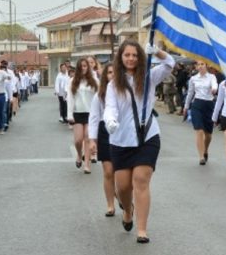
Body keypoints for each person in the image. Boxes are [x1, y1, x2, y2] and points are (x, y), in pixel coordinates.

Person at [104, 39, 174, 243]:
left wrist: (158, 52)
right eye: (127, 55)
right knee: (123, 187)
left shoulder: (149, 77)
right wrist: (110, 120)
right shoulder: (113, 84)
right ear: (120, 58)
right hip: (121, 139)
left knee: (141, 181)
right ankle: (128, 210)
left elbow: (170, 64)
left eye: (135, 55)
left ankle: (142, 229)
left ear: (140, 57)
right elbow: (110, 107)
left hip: (147, 137)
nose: (131, 58)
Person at [88, 63, 116, 216]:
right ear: (105, 76)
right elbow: (94, 117)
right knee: (108, 171)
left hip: (122, 133)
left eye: (115, 72)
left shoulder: (126, 92)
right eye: (110, 72)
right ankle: (110, 204)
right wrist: (93, 140)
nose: (113, 75)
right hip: (105, 131)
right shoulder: (99, 95)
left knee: (121, 173)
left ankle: (121, 194)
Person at [67, 57, 98, 174]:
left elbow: (99, 98)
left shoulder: (94, 80)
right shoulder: (72, 81)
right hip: (77, 113)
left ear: (88, 67)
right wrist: (69, 115)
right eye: (81, 66)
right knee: (78, 140)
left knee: (87, 137)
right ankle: (79, 155)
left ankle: (87, 164)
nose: (83, 68)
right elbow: (70, 98)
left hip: (91, 113)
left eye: (85, 66)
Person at [183, 60, 218, 164]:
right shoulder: (193, 79)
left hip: (209, 104)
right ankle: (201, 156)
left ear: (206, 65)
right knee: (199, 130)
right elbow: (190, 93)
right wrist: (186, 107)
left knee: (208, 134)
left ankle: (205, 150)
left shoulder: (212, 77)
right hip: (197, 104)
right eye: (198, 64)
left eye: (202, 64)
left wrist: (214, 89)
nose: (200, 66)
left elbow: (215, 85)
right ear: (196, 67)